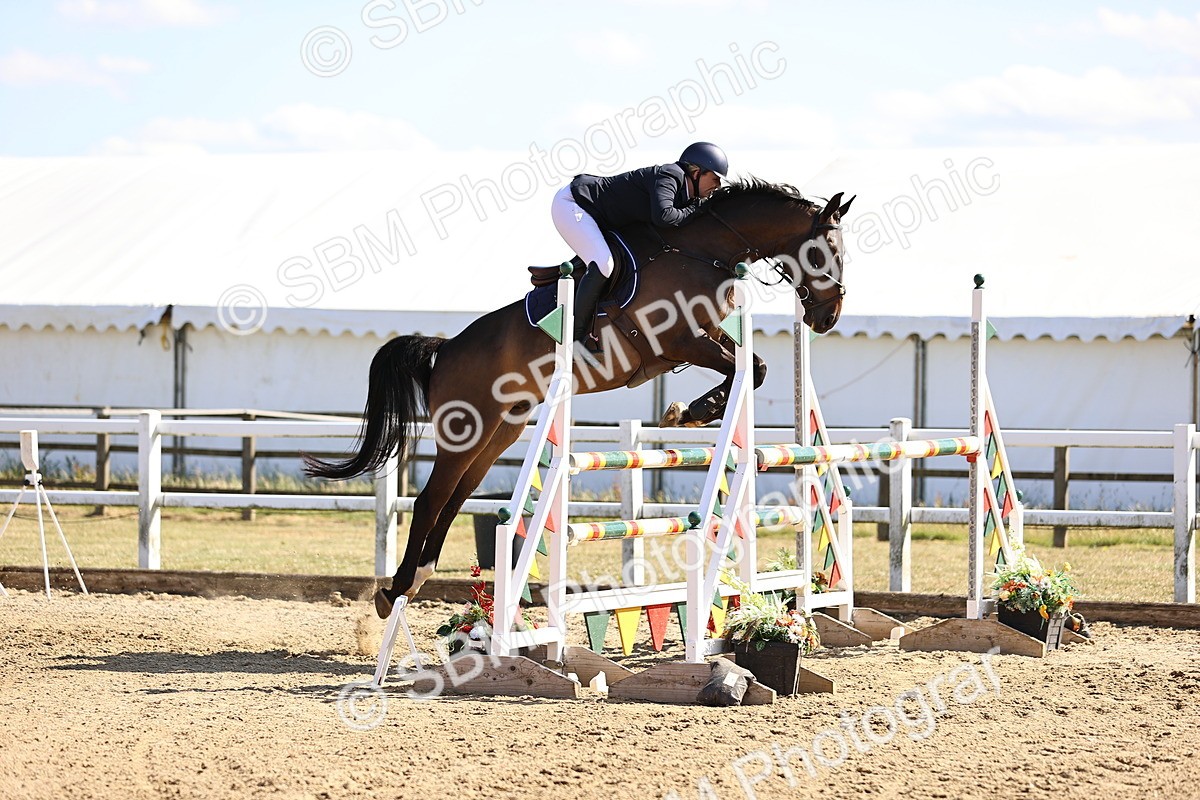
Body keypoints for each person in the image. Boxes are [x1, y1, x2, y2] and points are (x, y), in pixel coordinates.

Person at [551, 142, 729, 350]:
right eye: (715, 179)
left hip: (596, 215)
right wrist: (698, 210)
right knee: (604, 264)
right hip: (574, 205)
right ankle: (575, 340)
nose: (716, 186)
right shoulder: (669, 175)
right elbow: (664, 216)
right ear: (696, 172)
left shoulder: (685, 193)